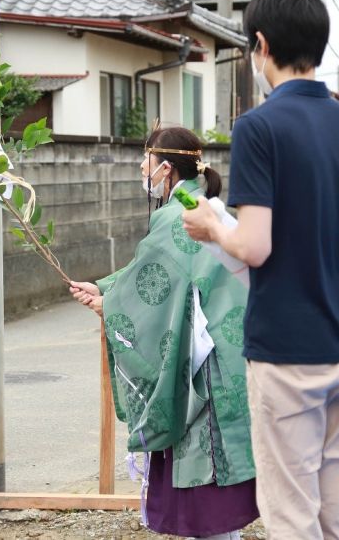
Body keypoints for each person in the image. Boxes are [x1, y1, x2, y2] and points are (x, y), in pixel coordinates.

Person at [183, 0, 339, 539]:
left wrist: (212, 225)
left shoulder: (259, 128)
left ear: (261, 44)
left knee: (291, 512)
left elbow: (255, 245)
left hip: (287, 351)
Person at [69, 126, 258, 540]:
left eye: (146, 160)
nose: (141, 166)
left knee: (202, 487)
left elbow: (157, 284)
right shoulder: (202, 204)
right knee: (218, 491)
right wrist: (105, 288)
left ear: (166, 168)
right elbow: (152, 271)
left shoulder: (176, 215)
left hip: (200, 367)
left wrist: (111, 305)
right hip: (227, 354)